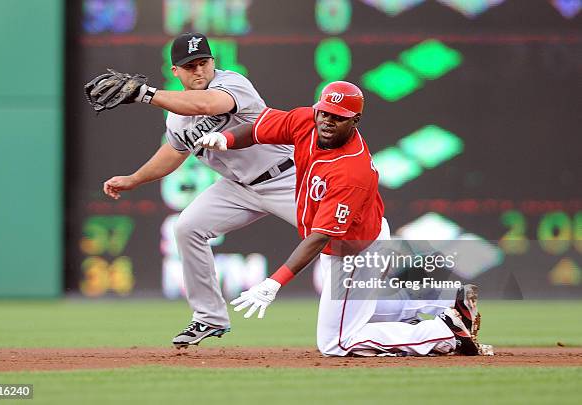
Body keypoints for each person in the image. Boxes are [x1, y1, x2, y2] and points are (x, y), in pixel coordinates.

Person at [196, 81, 482, 356]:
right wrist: (227, 138)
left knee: (337, 342)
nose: (327, 121)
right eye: (324, 113)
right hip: (356, 237)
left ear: (355, 120)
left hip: (355, 248)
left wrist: (274, 283)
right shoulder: (306, 120)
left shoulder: (351, 171)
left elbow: (321, 236)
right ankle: (444, 300)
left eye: (338, 117)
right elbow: (259, 128)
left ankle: (444, 334)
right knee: (355, 313)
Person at [98, 32, 298, 347]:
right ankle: (208, 318)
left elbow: (207, 104)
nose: (199, 71)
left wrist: (146, 93)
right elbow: (173, 152)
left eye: (203, 62)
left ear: (213, 62)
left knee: (346, 239)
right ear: (175, 71)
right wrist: (134, 178)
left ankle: (398, 305)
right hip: (238, 187)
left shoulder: (233, 83)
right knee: (188, 227)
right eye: (189, 66)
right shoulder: (176, 118)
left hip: (287, 178)